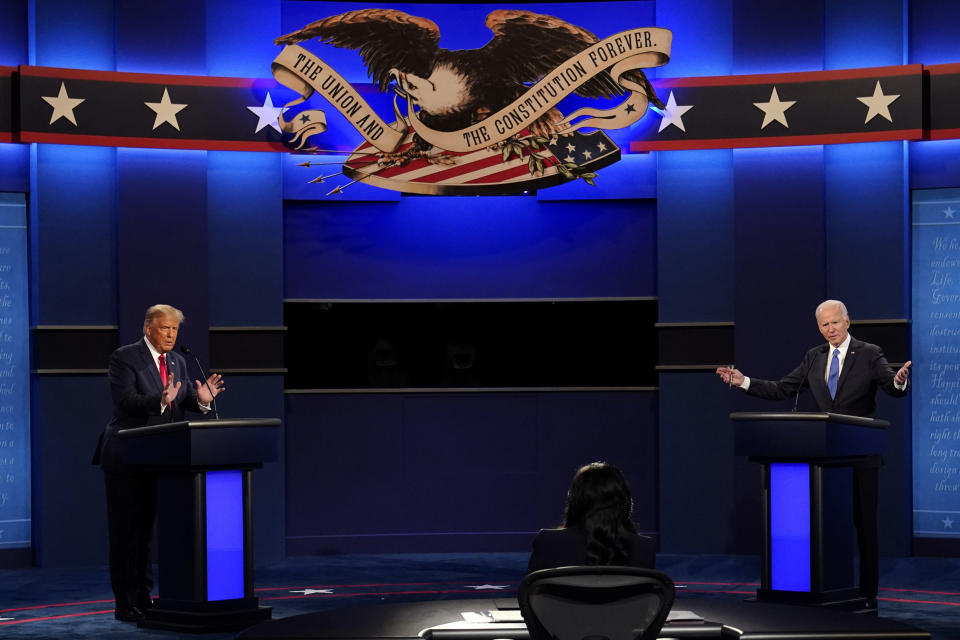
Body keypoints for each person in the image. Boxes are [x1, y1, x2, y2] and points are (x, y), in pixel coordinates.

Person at [715, 299, 911, 606]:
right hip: (824, 459)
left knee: (865, 525)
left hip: (860, 455)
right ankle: (827, 587)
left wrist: (900, 381)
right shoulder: (814, 357)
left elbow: (890, 384)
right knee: (827, 523)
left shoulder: (870, 353)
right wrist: (743, 381)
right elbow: (782, 388)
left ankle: (868, 593)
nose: (830, 329)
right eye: (824, 324)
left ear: (848, 321)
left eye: (835, 322)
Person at [91, 304, 225, 622]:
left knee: (146, 535)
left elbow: (180, 399)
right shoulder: (124, 357)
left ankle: (144, 597)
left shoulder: (178, 360)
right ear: (148, 328)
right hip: (126, 457)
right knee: (126, 534)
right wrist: (159, 400)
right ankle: (125, 603)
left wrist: (202, 401)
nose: (170, 334)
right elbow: (126, 402)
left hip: (161, 458)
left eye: (175, 329)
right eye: (165, 328)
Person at [527, 462, 656, 573]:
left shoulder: (548, 542)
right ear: (625, 502)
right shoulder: (644, 548)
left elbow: (530, 596)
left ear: (574, 500)